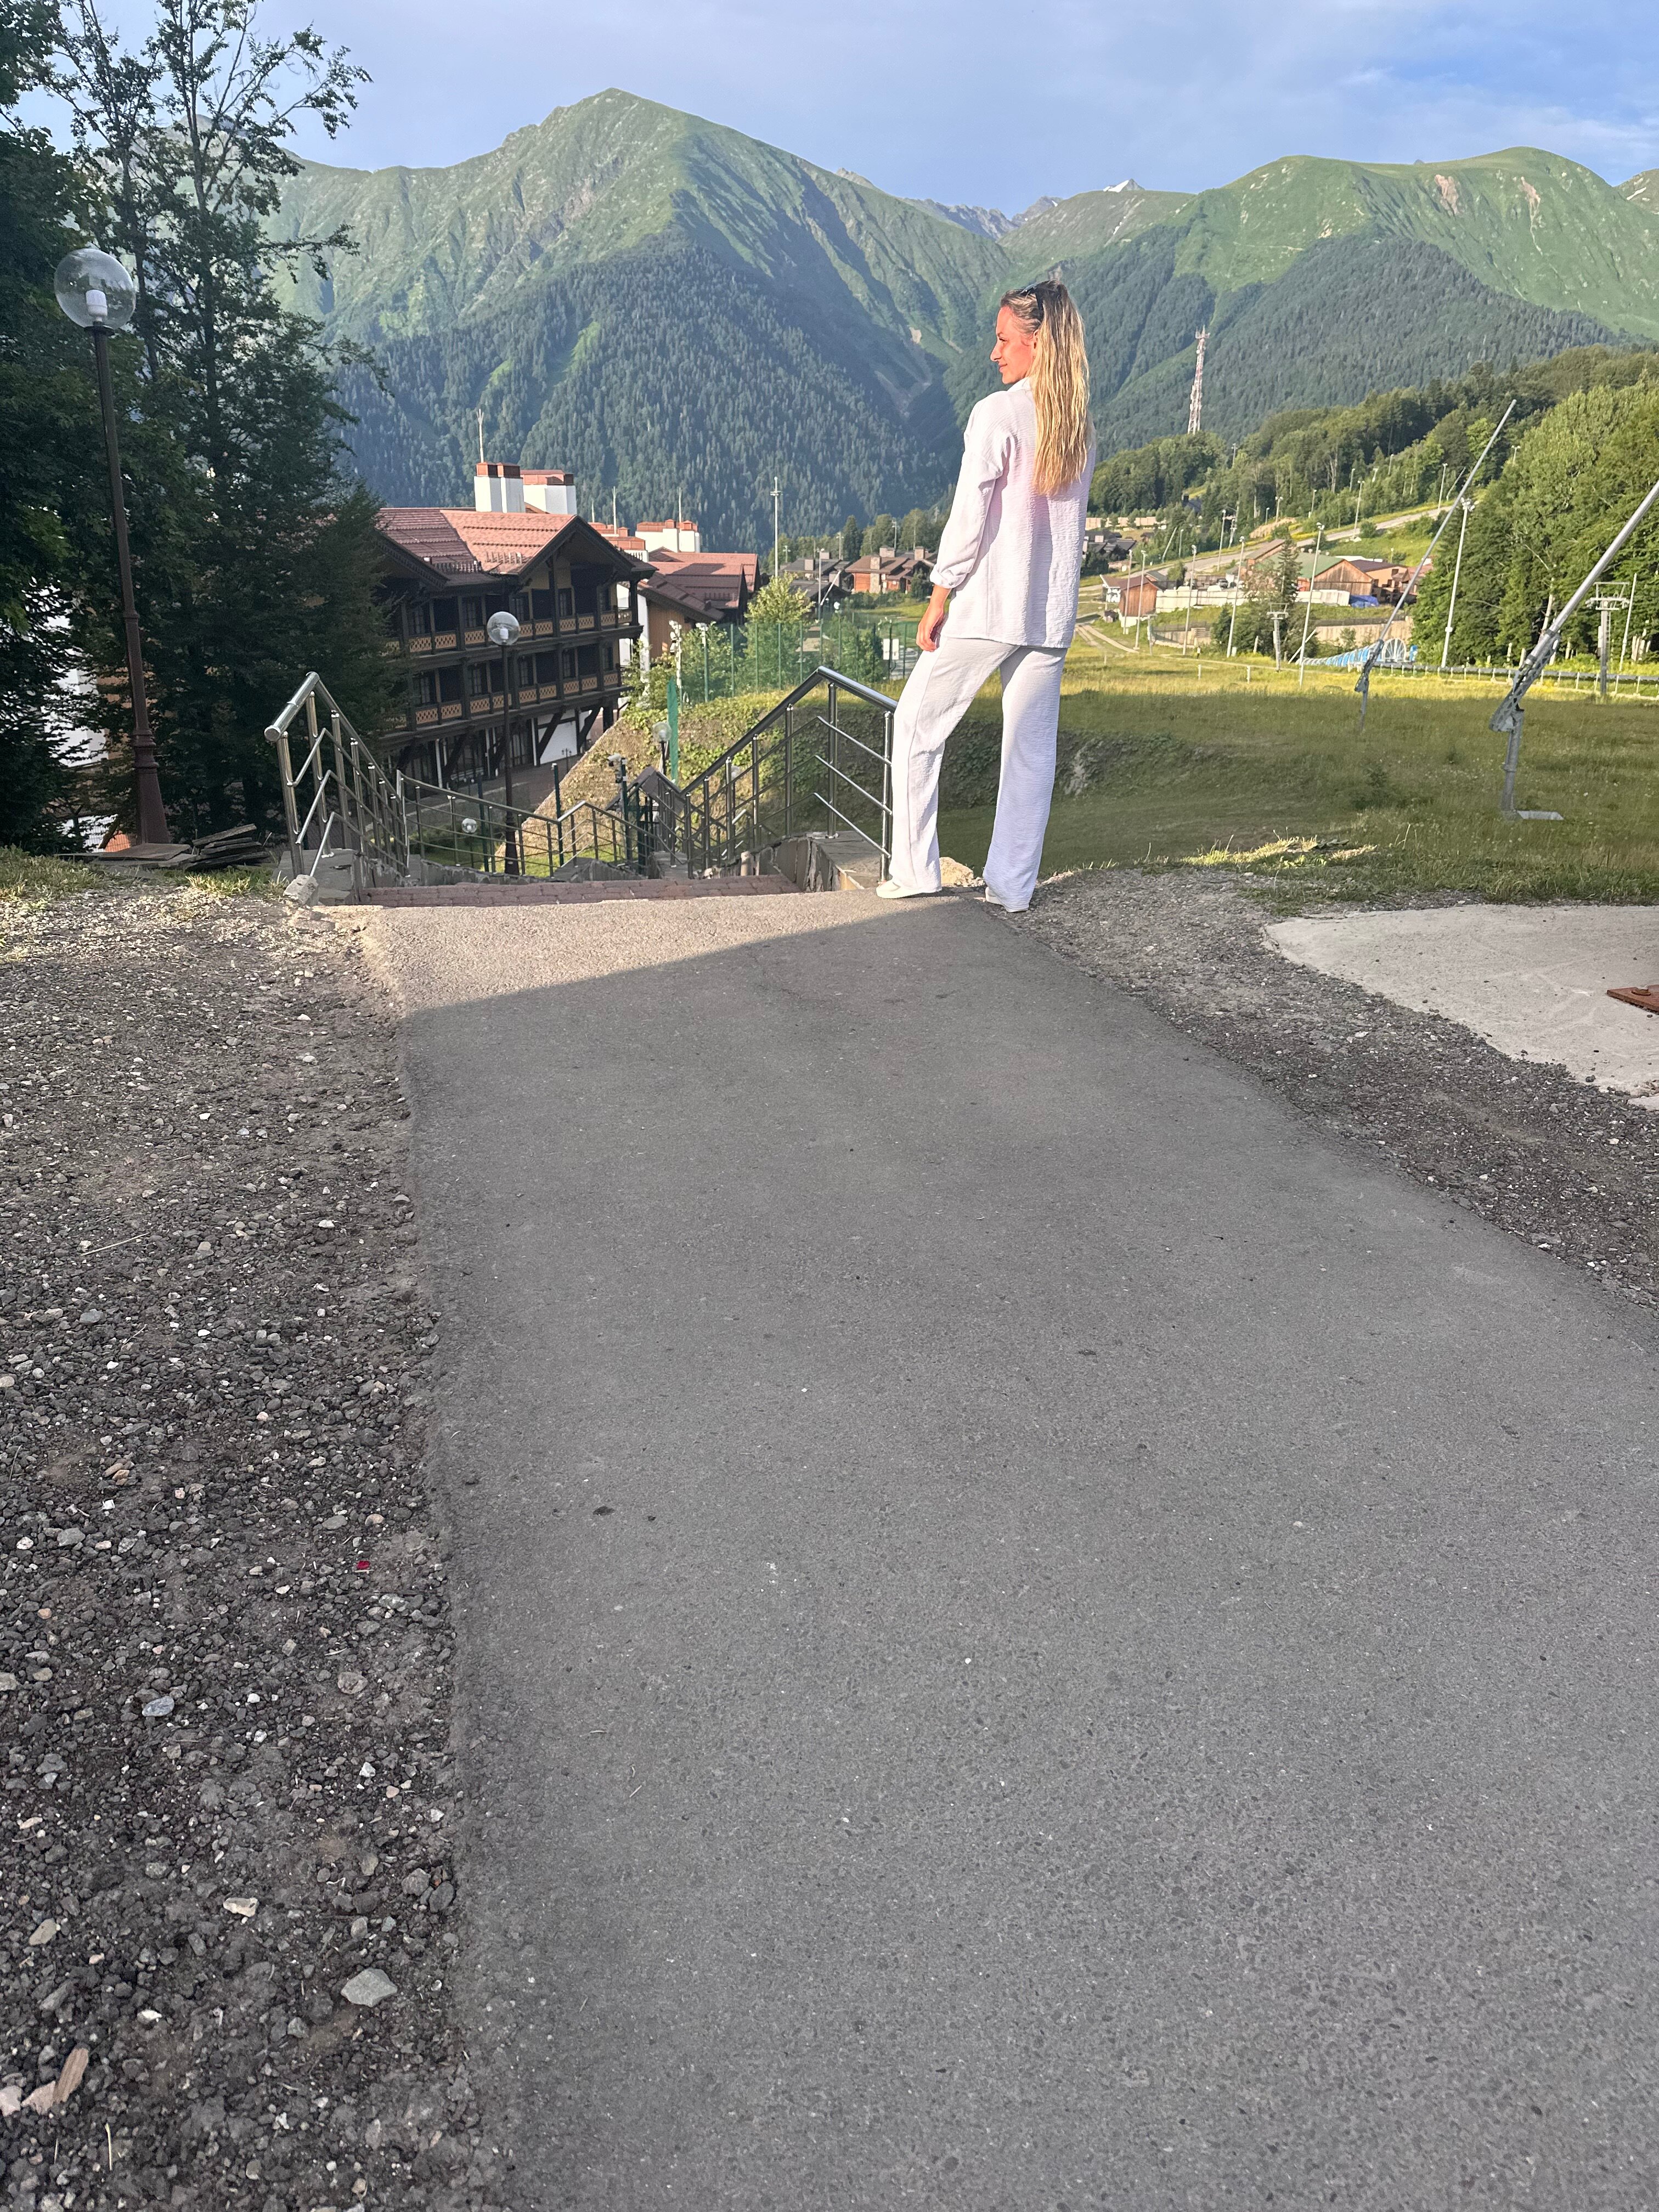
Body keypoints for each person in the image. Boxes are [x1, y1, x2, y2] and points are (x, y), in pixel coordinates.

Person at [876, 280, 1094, 913]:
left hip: (989, 604)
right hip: (1048, 612)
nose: (994, 353)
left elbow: (969, 518)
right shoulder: (1078, 425)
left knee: (916, 724)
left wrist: (939, 593)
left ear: (1037, 343)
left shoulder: (998, 414)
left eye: (1003, 340)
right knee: (1030, 752)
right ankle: (1013, 887)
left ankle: (916, 870)